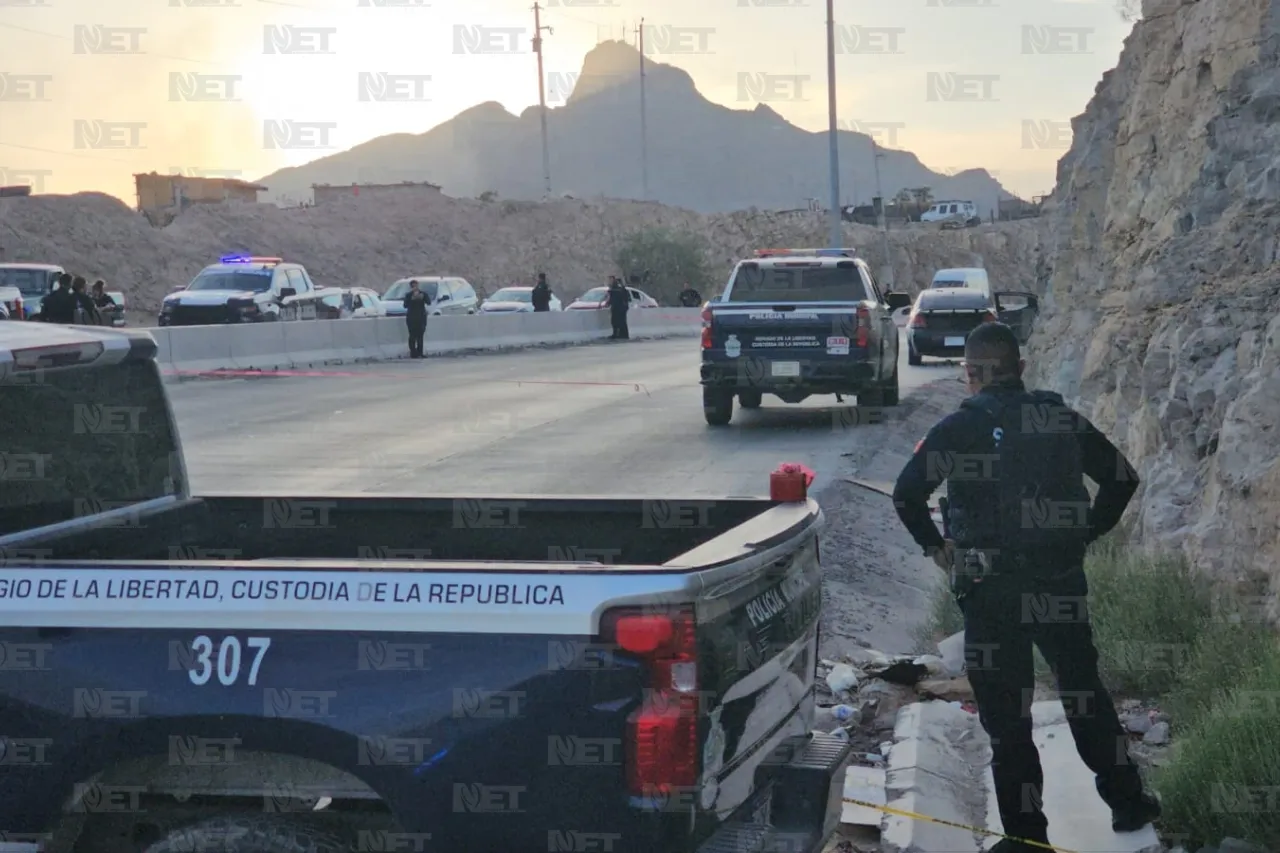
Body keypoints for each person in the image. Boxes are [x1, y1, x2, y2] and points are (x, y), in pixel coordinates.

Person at [891, 322, 1161, 853]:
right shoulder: (1056, 417)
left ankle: (1026, 839)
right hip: (1057, 584)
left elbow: (905, 494)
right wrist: (1086, 532)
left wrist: (939, 551)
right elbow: (1122, 477)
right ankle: (1129, 804)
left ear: (970, 374)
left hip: (990, 596)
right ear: (1020, 369)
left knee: (1007, 721)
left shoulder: (958, 428)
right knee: (1086, 697)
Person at [402, 279, 428, 358]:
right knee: (412, 336)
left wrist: (423, 297)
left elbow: (429, 302)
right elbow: (405, 305)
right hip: (411, 318)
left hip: (421, 318)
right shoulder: (408, 295)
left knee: (420, 336)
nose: (415, 287)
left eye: (416, 286)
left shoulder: (423, 294)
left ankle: (420, 352)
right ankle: (413, 352)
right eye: (413, 286)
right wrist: (412, 299)